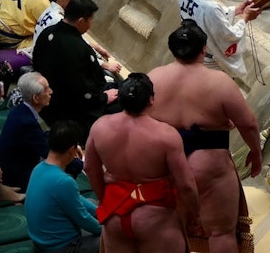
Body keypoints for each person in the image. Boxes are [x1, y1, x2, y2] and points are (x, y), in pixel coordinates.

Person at [149, 21, 261, 253]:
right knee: (220, 232)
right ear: (203, 49)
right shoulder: (219, 82)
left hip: (166, 164)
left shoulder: (153, 79)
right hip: (209, 165)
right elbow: (248, 124)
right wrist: (256, 152)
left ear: (173, 50)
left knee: (171, 230)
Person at [85, 73, 200, 252]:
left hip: (115, 213)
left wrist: (104, 199)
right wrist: (194, 215)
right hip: (155, 219)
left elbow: (90, 168)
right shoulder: (166, 136)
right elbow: (185, 184)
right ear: (151, 100)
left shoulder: (99, 126)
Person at [32, 0, 117, 131]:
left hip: (46, 101)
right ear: (81, 21)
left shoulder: (47, 33)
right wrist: (104, 97)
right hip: (68, 111)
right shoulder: (79, 48)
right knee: (119, 102)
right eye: (90, 20)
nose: (91, 24)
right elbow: (82, 89)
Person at [177, 0, 260, 81]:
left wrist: (238, 10)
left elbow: (210, 19)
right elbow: (229, 34)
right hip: (211, 64)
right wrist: (245, 18)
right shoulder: (209, 7)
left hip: (194, 54)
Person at [26, 120, 101, 253]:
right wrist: (108, 229)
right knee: (116, 239)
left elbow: (76, 199)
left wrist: (100, 213)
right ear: (73, 149)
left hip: (41, 242)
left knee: (91, 203)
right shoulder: (63, 181)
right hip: (61, 248)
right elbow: (83, 218)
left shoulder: (38, 169)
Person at [0, 72, 52, 191]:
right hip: (21, 180)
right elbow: (51, 155)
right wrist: (81, 165)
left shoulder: (20, 110)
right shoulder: (27, 123)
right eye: (46, 89)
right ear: (36, 98)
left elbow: (43, 136)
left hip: (18, 168)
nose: (51, 92)